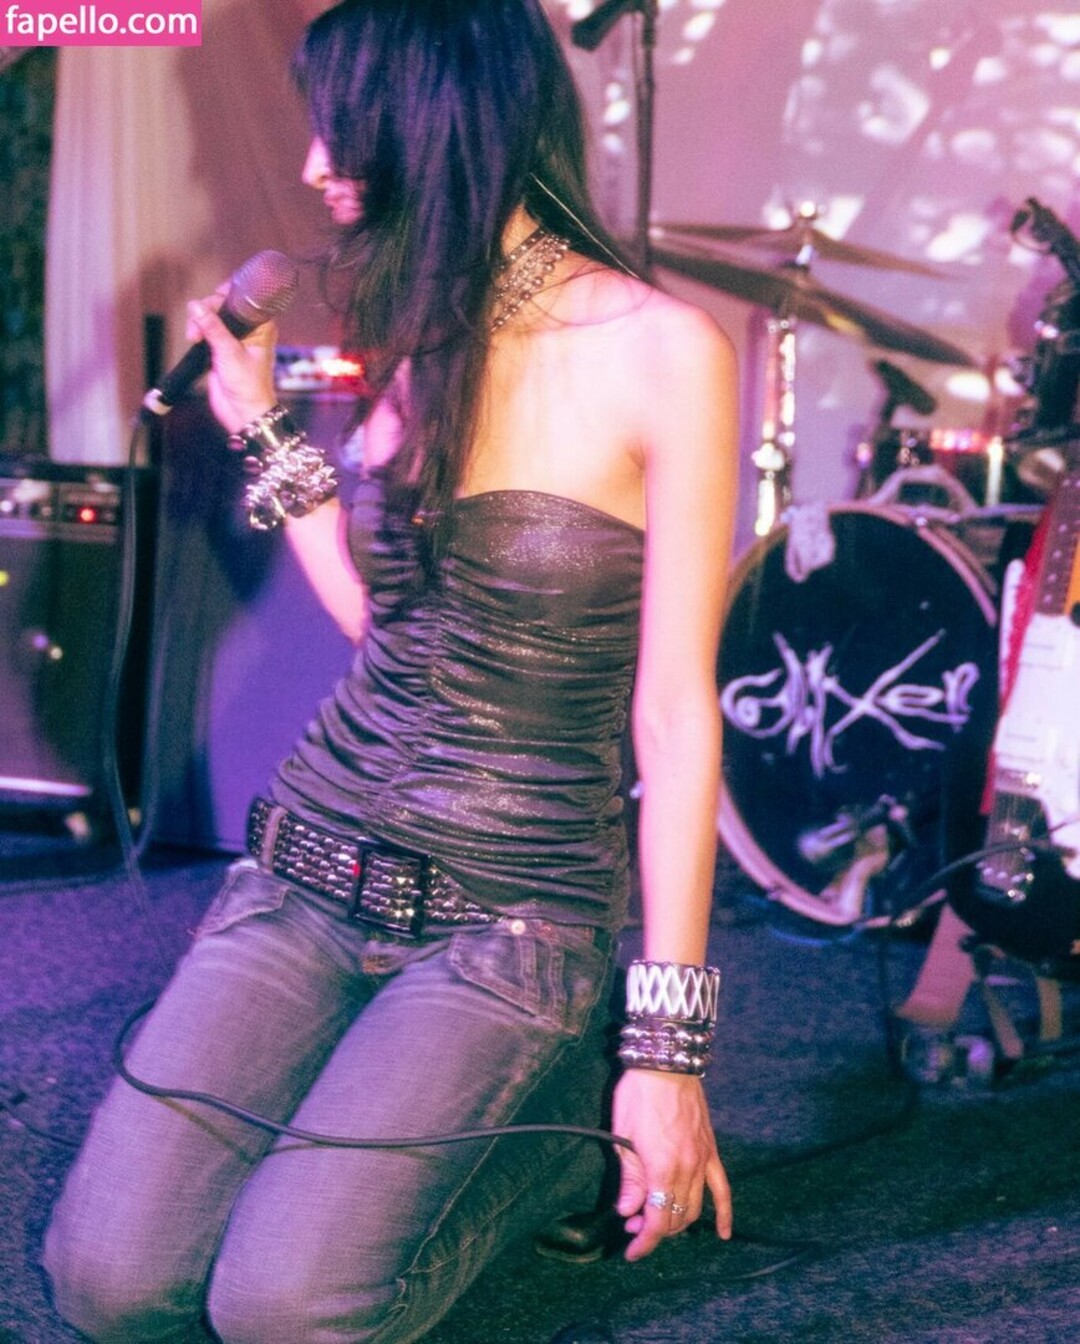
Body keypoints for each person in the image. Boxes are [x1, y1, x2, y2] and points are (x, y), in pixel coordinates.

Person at [43, 2, 738, 1340]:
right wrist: (262, 428)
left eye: (339, 130)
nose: (313, 167)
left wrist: (667, 1055)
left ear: (435, 122)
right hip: (310, 866)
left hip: (509, 917)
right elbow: (395, 625)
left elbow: (672, 717)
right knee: (111, 1284)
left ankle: (566, 1138)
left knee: (282, 1309)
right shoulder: (428, 336)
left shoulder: (663, 351)